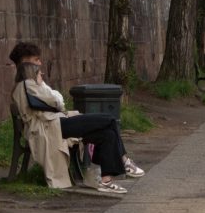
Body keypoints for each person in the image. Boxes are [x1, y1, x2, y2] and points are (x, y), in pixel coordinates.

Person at [9, 44, 144, 194]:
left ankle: (104, 179)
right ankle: (124, 160)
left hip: (56, 123)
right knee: (109, 120)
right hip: (52, 127)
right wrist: (46, 89)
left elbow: (56, 100)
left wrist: (50, 93)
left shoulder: (30, 84)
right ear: (25, 62)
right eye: (36, 60)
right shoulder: (28, 84)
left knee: (108, 134)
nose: (40, 63)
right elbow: (57, 102)